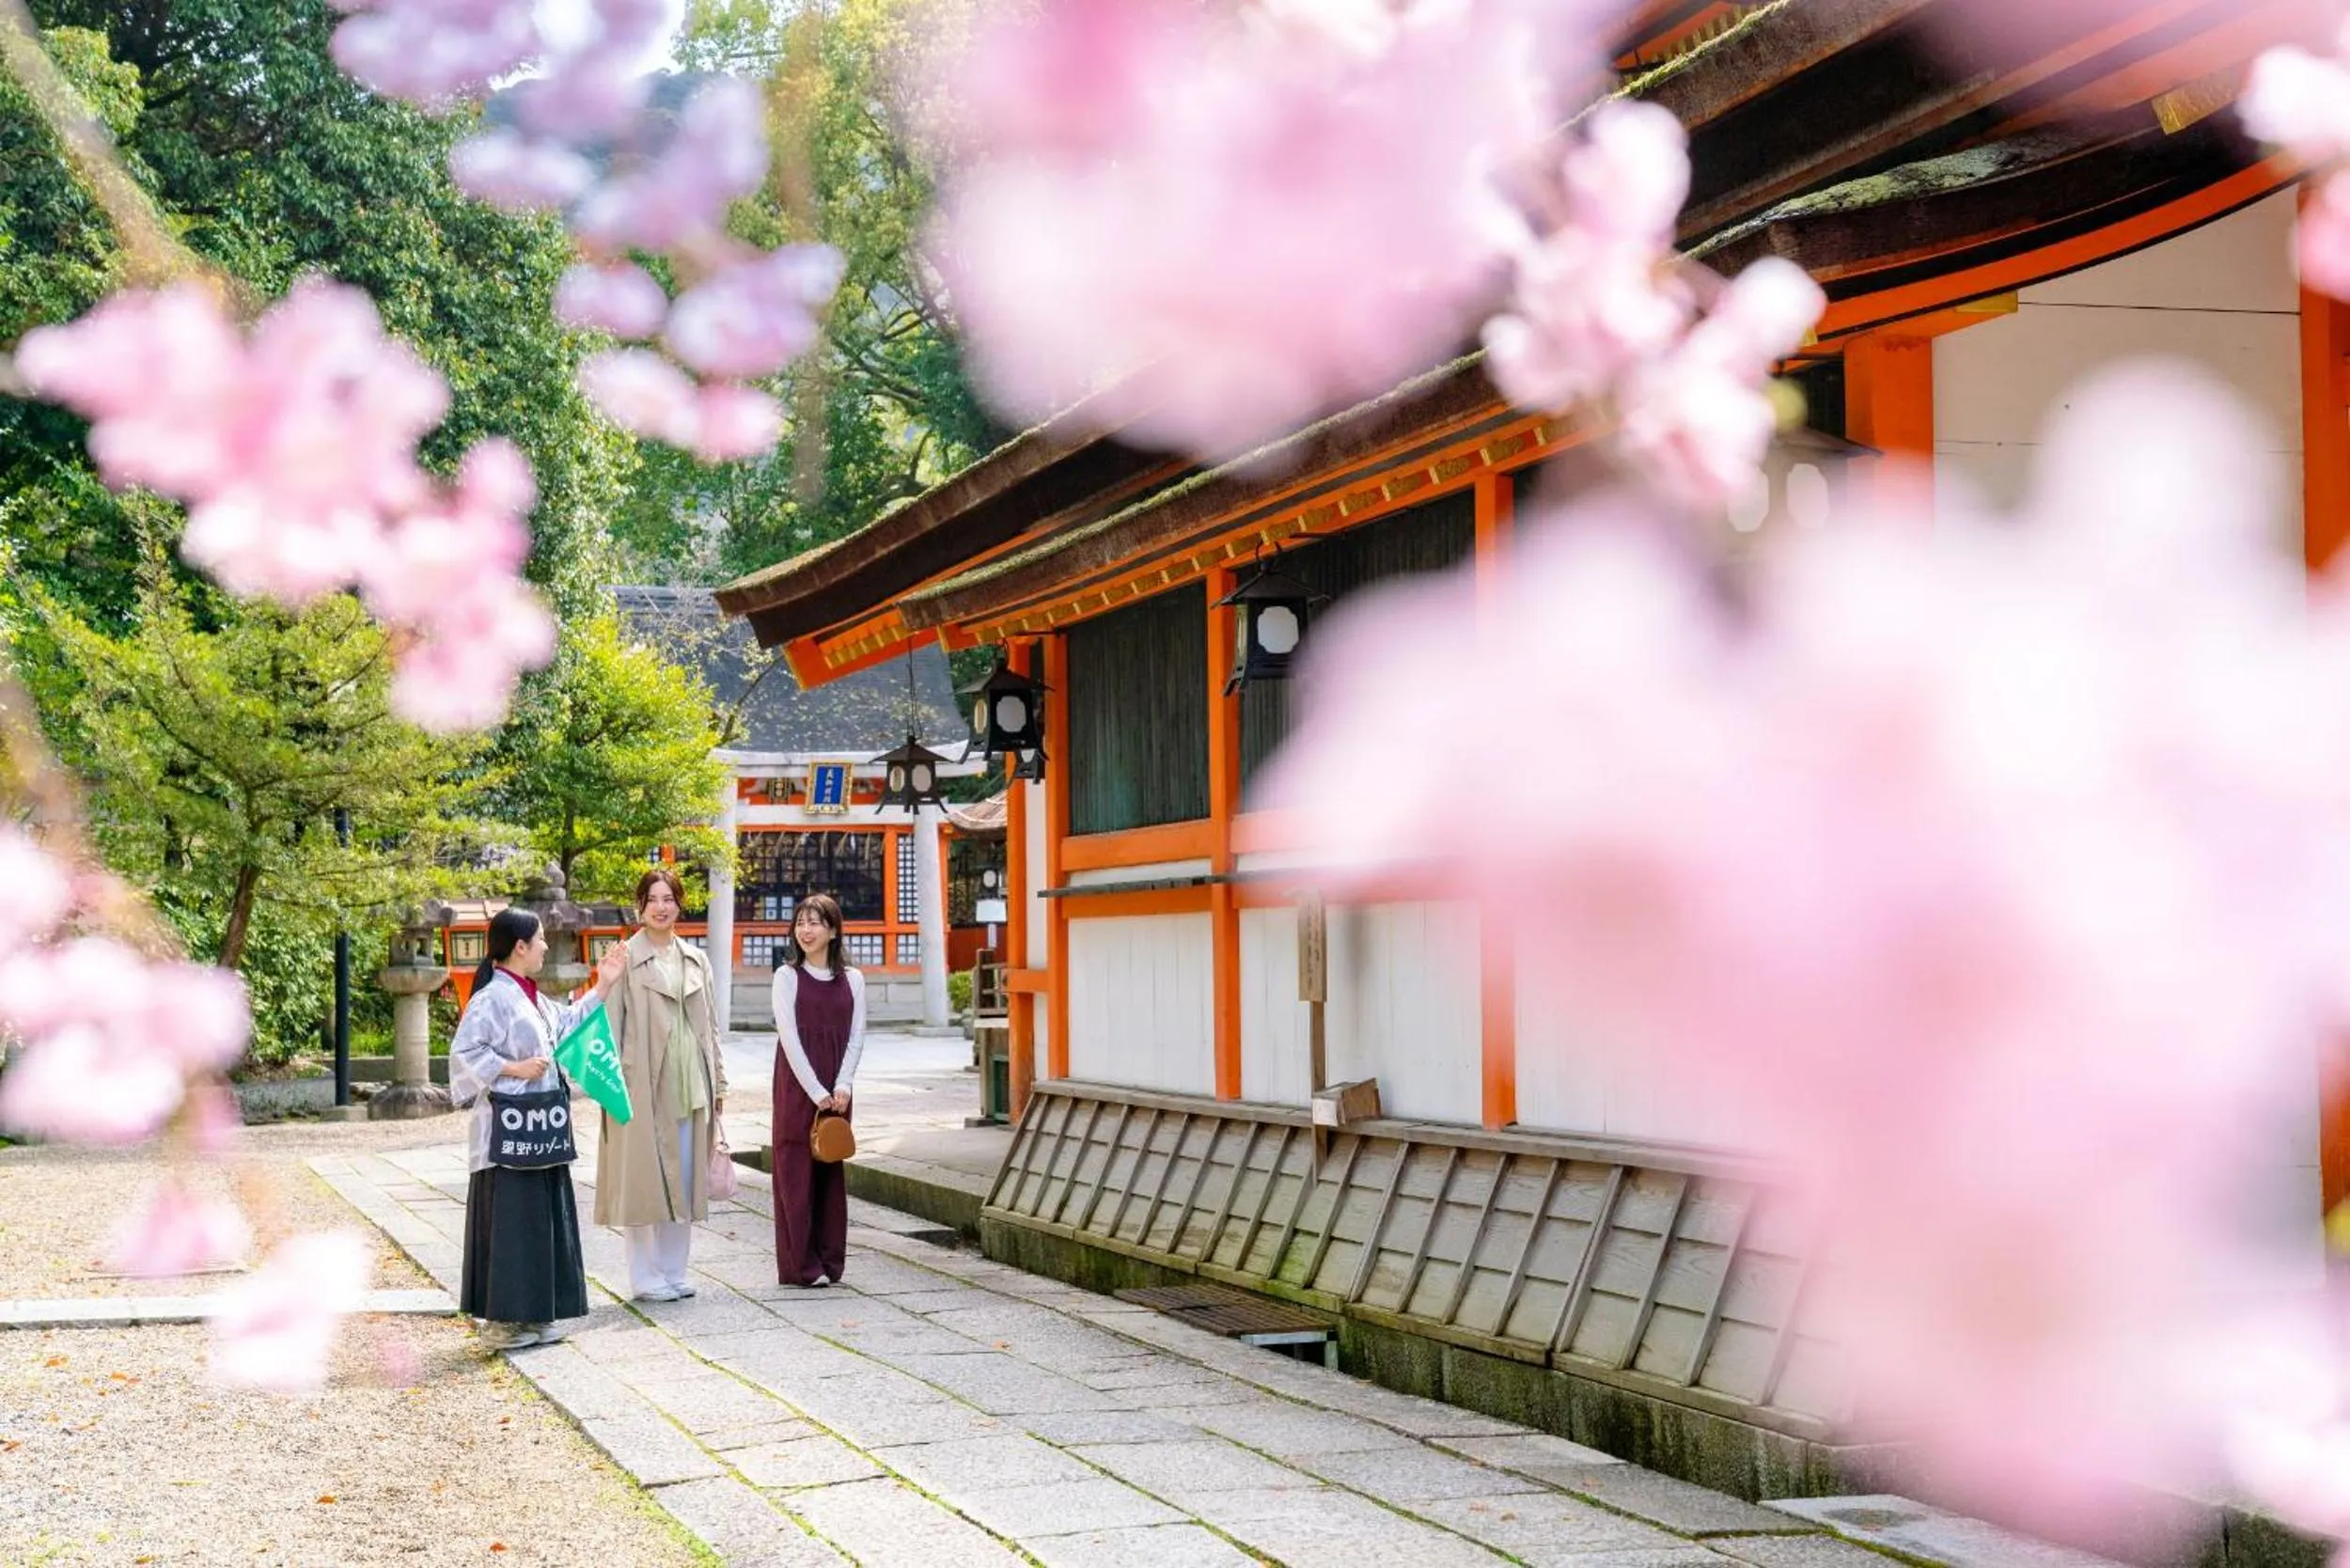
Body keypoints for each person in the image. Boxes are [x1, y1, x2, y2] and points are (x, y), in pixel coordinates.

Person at [449, 906, 626, 1350]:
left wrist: (603, 986)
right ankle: (504, 1322)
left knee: (540, 1219)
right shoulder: (491, 998)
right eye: (541, 939)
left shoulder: (529, 995)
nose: (547, 945)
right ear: (520, 946)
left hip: (540, 1127)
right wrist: (515, 1067)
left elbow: (566, 1025)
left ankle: (538, 1313)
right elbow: (464, 1052)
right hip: (509, 1130)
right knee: (512, 1221)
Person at [594, 866, 728, 1303]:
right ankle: (645, 1277)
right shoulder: (626, 958)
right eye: (653, 899)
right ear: (641, 906)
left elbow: (711, 1029)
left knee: (685, 1180)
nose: (661, 907)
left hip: (691, 1082)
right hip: (642, 1088)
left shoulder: (696, 959)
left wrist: (719, 1084)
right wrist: (613, 1091)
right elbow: (609, 1029)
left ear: (679, 905)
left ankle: (673, 1270)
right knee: (644, 1185)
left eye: (669, 898)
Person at [770, 893, 866, 1287]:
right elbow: (789, 1038)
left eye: (814, 923)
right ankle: (801, 1267)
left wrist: (842, 1085)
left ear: (833, 929)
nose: (806, 931)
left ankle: (830, 1261)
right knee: (795, 1173)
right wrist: (816, 1091)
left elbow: (857, 1035)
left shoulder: (853, 980)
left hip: (837, 1088)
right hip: (797, 1085)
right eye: (800, 923)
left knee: (830, 1169)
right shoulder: (786, 977)